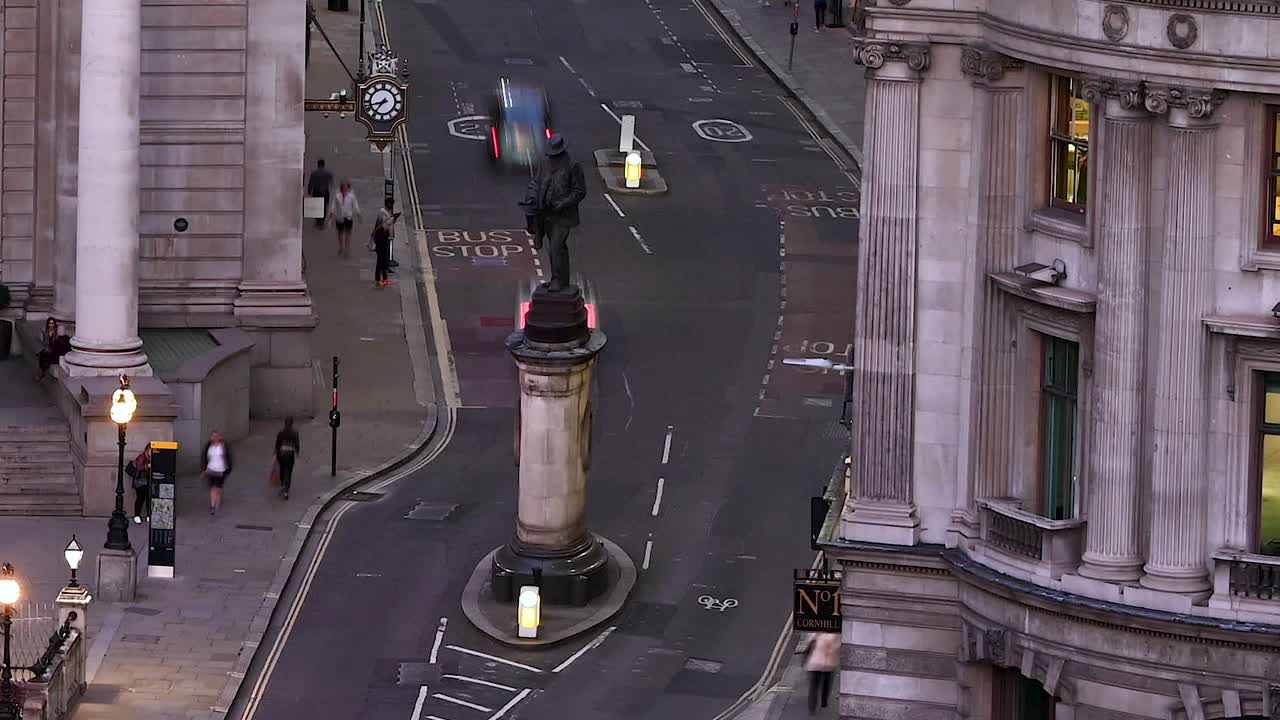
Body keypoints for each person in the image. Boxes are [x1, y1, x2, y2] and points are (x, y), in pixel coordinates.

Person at [521, 134, 586, 293]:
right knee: (557, 247)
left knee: (556, 246)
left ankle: (558, 279)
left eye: (555, 154)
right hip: (546, 213)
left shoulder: (573, 166)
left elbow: (579, 191)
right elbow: (535, 183)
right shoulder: (544, 164)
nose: (552, 157)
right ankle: (560, 279)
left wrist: (563, 203)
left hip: (563, 215)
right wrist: (532, 197)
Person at [803, 631, 840, 714]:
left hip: (815, 663)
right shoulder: (834, 633)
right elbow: (836, 647)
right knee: (825, 684)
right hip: (828, 663)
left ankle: (812, 708)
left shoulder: (815, 632)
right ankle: (823, 701)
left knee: (814, 687)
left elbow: (809, 642)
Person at [202, 430, 233, 515]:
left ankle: (217, 504)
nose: (215, 438)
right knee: (212, 488)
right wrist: (204, 469)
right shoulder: (208, 446)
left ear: (219, 437)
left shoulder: (224, 446)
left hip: (221, 469)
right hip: (211, 469)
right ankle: (213, 505)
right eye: (213, 436)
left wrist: (229, 468)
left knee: (218, 488)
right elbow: (204, 457)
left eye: (216, 436)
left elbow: (229, 457)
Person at [329, 180, 361, 256]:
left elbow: (355, 204)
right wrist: (331, 213)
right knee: (340, 234)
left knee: (347, 234)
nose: (345, 189)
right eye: (343, 187)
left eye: (346, 187)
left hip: (348, 217)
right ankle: (341, 247)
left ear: (348, 188)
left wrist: (358, 213)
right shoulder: (337, 195)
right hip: (339, 217)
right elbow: (333, 205)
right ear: (341, 188)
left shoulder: (351, 196)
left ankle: (347, 249)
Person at [274, 417, 300, 500]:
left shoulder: (281, 433)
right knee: (289, 472)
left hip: (281, 454)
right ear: (292, 423)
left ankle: (282, 484)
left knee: (282, 470)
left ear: (285, 423)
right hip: (290, 455)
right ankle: (286, 491)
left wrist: (276, 452)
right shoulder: (294, 433)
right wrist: (297, 452)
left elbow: (278, 444)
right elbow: (296, 444)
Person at [375, 197, 400, 272]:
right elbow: (384, 224)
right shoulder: (382, 212)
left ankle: (386, 268)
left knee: (386, 253)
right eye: (391, 204)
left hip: (387, 236)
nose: (392, 206)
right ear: (388, 203)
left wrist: (394, 219)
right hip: (382, 236)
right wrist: (393, 218)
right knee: (382, 255)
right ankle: (380, 273)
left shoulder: (388, 211)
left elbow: (390, 223)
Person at [130, 444, 153, 524]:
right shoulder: (142, 457)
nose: (152, 452)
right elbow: (139, 467)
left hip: (149, 481)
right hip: (140, 482)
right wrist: (148, 466)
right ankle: (137, 515)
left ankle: (148, 515)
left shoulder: (153, 458)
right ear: (147, 450)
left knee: (149, 498)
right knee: (140, 498)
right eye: (151, 451)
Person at [306, 159, 333, 228]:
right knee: (324, 206)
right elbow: (331, 182)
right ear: (324, 165)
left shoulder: (314, 173)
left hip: (316, 191)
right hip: (325, 191)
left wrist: (309, 191)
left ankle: (318, 220)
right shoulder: (328, 173)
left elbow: (311, 183)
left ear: (318, 165)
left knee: (317, 206)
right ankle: (322, 221)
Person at [372, 220, 393, 288]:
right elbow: (375, 239)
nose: (388, 227)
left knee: (384, 264)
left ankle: (384, 279)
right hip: (380, 249)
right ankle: (378, 280)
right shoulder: (379, 230)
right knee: (379, 264)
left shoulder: (385, 230)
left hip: (384, 249)